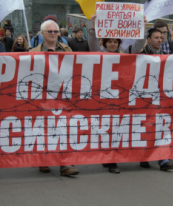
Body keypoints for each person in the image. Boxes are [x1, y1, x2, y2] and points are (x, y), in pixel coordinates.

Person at [89, 14, 147, 173]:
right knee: (107, 128)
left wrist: (143, 27)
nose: (113, 44)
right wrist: (94, 27)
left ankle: (112, 158)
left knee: (118, 127)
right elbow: (92, 43)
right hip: (104, 97)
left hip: (121, 96)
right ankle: (109, 157)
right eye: (110, 42)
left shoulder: (125, 53)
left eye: (115, 41)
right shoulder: (99, 52)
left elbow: (139, 44)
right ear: (105, 43)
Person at [30, 19, 79, 177]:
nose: (53, 34)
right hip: (42, 97)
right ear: (42, 34)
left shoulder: (67, 49)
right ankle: (44, 160)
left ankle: (65, 164)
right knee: (44, 128)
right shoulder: (32, 52)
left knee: (64, 128)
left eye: (55, 31)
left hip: (63, 95)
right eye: (50, 31)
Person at [140, 28, 173, 171]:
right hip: (144, 97)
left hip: (161, 98)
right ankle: (144, 156)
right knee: (146, 127)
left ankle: (163, 160)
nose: (160, 40)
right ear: (148, 39)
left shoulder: (167, 56)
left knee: (161, 127)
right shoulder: (141, 56)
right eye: (156, 37)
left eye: (161, 37)